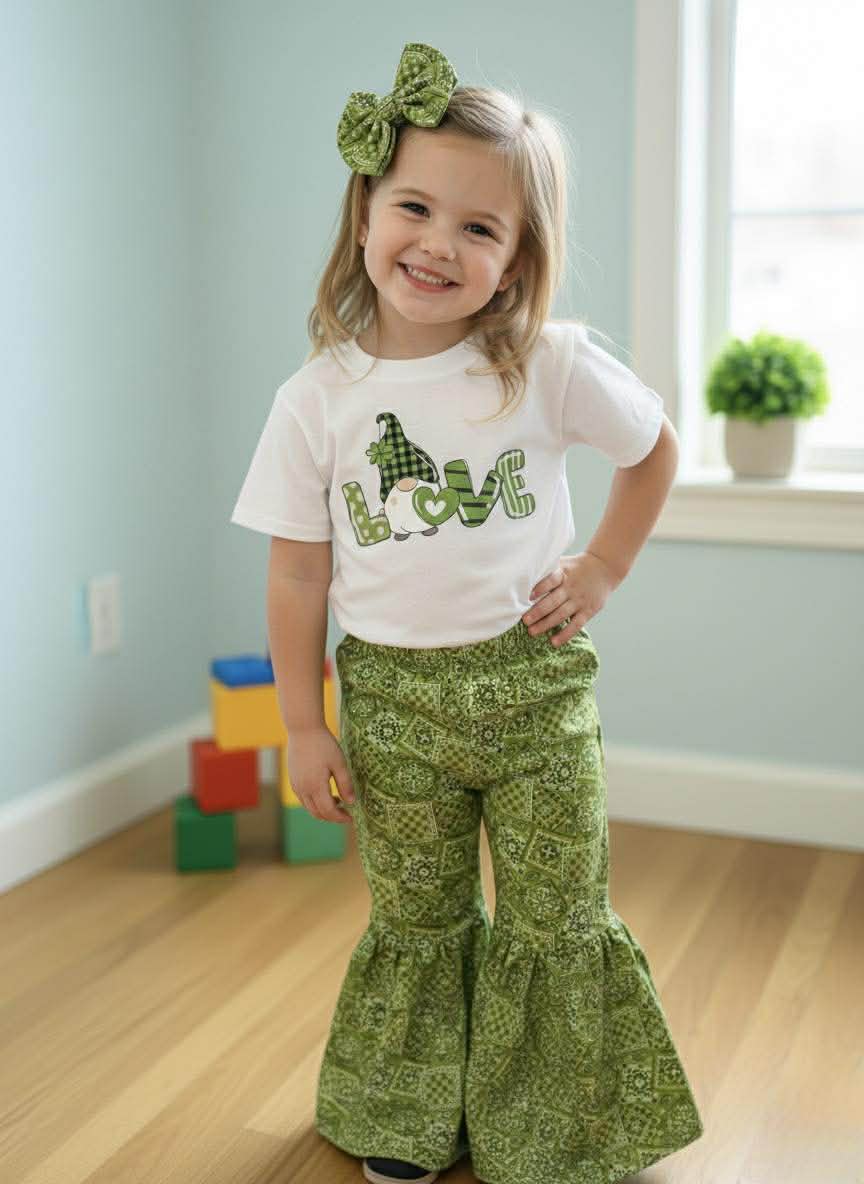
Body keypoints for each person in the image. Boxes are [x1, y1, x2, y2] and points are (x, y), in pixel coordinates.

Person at [230, 40, 704, 1184]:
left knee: (554, 910)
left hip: (536, 693)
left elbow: (654, 451)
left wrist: (603, 566)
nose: (440, 242)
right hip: (392, 706)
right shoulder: (318, 401)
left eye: (481, 228)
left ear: (516, 257)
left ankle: (554, 1128)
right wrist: (303, 722)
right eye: (415, 207)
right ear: (365, 213)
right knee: (421, 915)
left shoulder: (545, 363)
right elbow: (298, 576)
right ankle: (409, 1111)